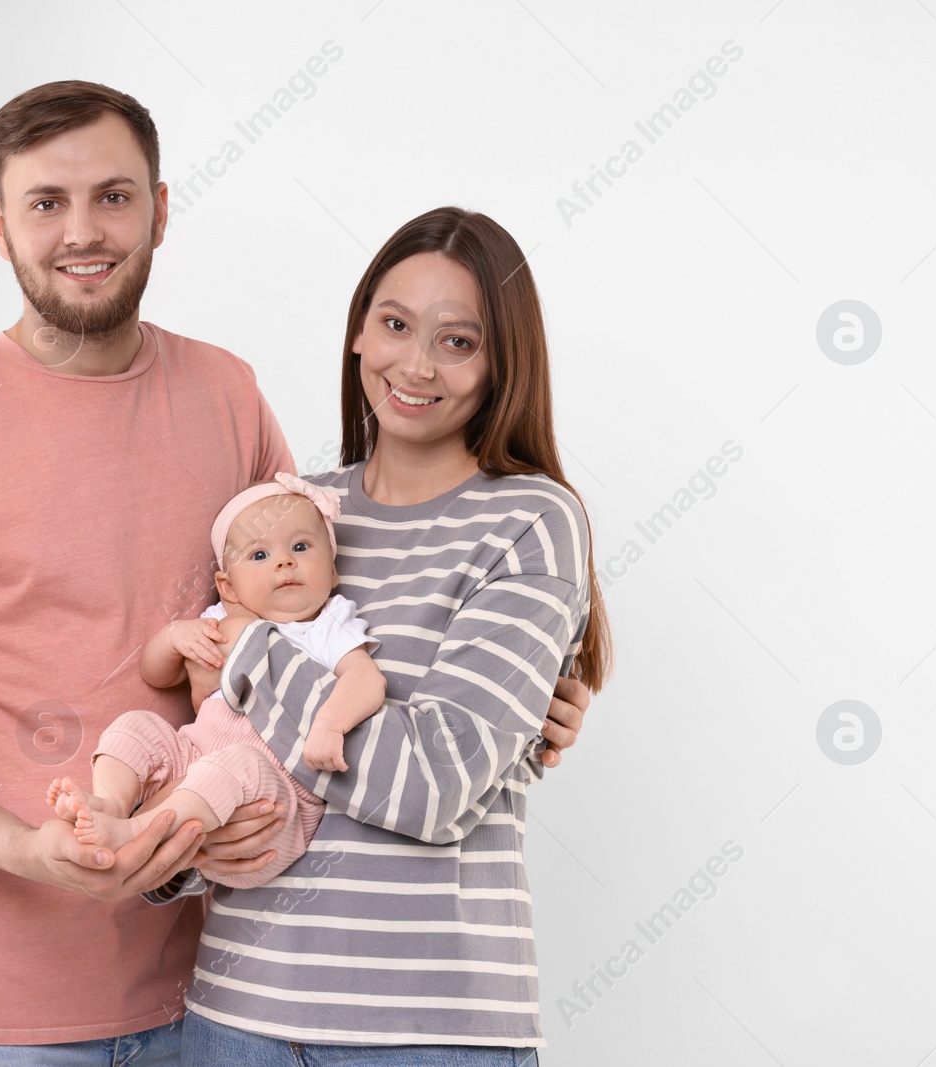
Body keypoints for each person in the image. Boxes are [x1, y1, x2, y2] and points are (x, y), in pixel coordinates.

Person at [0, 79, 592, 1066]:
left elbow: (292, 626)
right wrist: (30, 846)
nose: (81, 230)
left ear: (160, 207)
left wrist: (519, 724)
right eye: (44, 201)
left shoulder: (228, 400)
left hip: (199, 990)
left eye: (113, 194)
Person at [176, 206, 614, 1064]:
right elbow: (213, 741)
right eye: (395, 324)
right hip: (234, 1017)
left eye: (458, 341)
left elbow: (432, 785)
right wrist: (182, 851)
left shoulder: (529, 519)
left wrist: (254, 655)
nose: (415, 365)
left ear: (503, 362)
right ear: (357, 333)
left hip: (424, 1034)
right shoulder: (290, 514)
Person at [47, 473, 385, 888]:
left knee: (236, 765)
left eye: (301, 547)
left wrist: (331, 725)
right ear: (228, 588)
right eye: (259, 555)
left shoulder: (326, 623)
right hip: (194, 766)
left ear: (332, 573)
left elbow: (365, 678)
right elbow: (156, 673)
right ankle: (112, 804)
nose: (284, 562)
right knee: (137, 725)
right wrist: (174, 637)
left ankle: (137, 833)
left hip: (273, 807)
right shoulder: (217, 623)